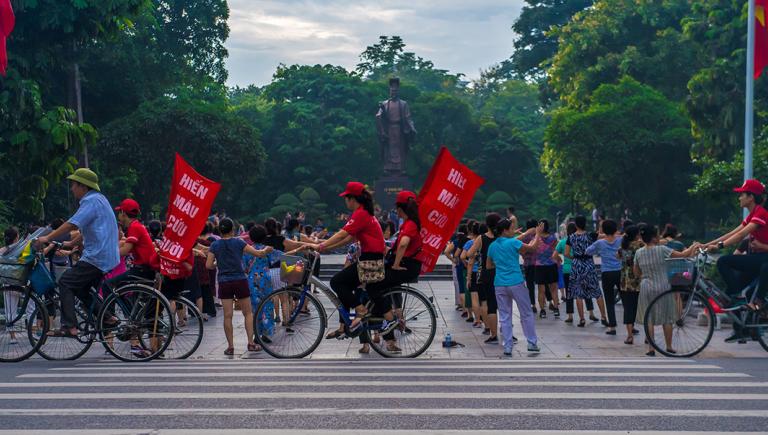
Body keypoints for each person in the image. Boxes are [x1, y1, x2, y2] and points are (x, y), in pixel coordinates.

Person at [36, 168, 120, 338]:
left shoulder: (90, 202)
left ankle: (69, 326)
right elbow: (88, 229)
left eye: (74, 185)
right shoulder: (100, 200)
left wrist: (47, 238)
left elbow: (72, 224)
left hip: (97, 256)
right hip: (105, 256)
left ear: (83, 186)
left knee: (66, 282)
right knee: (81, 289)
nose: (72, 188)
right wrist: (71, 243)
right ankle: (108, 318)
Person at [309, 182, 386, 354]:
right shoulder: (364, 213)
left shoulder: (360, 214)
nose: (345, 202)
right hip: (370, 258)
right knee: (343, 285)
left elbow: (343, 233)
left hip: (370, 260)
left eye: (347, 198)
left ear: (353, 199)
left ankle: (360, 310)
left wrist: (322, 246)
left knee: (337, 282)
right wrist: (325, 246)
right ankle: (344, 326)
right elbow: (348, 239)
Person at [366, 190, 424, 352]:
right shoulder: (408, 223)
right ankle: (387, 331)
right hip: (408, 264)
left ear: (400, 209)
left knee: (372, 286)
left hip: (406, 266)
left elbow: (404, 243)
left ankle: (389, 318)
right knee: (379, 292)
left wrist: (396, 264)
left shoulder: (410, 224)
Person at [206, 217, 273, 355]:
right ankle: (250, 343)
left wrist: (218, 263)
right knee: (248, 313)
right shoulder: (239, 242)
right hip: (240, 280)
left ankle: (230, 347)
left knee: (227, 316)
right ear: (232, 230)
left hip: (224, 282)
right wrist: (267, 249)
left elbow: (208, 265)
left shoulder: (215, 245)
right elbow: (259, 253)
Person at [706, 179, 768, 318]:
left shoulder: (761, 213)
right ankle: (741, 330)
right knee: (729, 296)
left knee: (723, 261)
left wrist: (719, 247)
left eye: (742, 194)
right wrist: (706, 245)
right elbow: (732, 233)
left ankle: (750, 300)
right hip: (758, 259)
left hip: (763, 259)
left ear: (751, 197)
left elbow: (740, 235)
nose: (739, 198)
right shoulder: (753, 213)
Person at [634, 224, 699, 356]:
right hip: (663, 286)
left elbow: (636, 273)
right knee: (667, 317)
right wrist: (694, 245)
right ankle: (669, 346)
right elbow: (684, 254)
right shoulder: (662, 249)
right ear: (653, 238)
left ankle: (651, 349)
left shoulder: (638, 252)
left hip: (646, 286)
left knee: (649, 318)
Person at [486, 218, 543, 356]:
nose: (514, 231)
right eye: (512, 228)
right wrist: (538, 234)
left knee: (505, 316)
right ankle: (531, 343)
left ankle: (507, 346)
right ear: (505, 230)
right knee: (526, 313)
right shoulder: (513, 242)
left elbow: (489, 265)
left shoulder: (492, 246)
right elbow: (533, 248)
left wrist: (500, 265)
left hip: (499, 283)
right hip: (516, 282)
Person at [464, 213, 503, 344]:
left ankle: (493, 335)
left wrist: (479, 253)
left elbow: (469, 254)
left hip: (486, 274)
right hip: (501, 273)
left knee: (490, 304)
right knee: (503, 305)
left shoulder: (482, 238)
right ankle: (507, 333)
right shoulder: (502, 237)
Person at [104, 199, 156, 290]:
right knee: (120, 289)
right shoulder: (137, 225)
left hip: (142, 270)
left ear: (123, 213)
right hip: (146, 269)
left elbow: (125, 250)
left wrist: (107, 254)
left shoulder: (134, 227)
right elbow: (125, 245)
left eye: (119, 213)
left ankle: (111, 304)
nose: (118, 216)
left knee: (107, 285)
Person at [565, 216, 607, 327]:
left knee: (578, 294)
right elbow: (605, 236)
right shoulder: (591, 235)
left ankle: (582, 319)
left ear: (576, 225)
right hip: (589, 264)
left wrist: (574, 257)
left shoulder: (571, 237)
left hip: (577, 265)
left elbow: (566, 253)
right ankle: (603, 316)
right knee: (597, 291)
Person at [586, 219, 623, 335]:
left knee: (609, 301)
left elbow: (587, 251)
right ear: (615, 229)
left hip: (607, 273)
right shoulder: (621, 240)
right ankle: (631, 327)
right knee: (626, 299)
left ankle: (612, 327)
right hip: (620, 272)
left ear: (603, 230)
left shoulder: (600, 243)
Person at [618, 224, 642, 345]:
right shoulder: (640, 246)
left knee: (628, 309)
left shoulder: (622, 246)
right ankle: (648, 336)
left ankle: (629, 336)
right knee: (643, 308)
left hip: (624, 282)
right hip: (638, 282)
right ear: (637, 235)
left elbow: (617, 256)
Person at [534, 219, 560, 319]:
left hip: (539, 266)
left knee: (541, 290)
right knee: (553, 289)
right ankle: (556, 309)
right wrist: (557, 260)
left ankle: (542, 310)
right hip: (551, 265)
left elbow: (532, 248)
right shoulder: (553, 238)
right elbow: (556, 250)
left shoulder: (536, 237)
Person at [555, 222, 577, 323]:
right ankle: (590, 313)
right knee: (584, 292)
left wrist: (559, 259)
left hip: (567, 269)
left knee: (569, 294)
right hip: (578, 268)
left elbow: (554, 255)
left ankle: (570, 316)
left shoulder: (563, 242)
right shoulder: (579, 240)